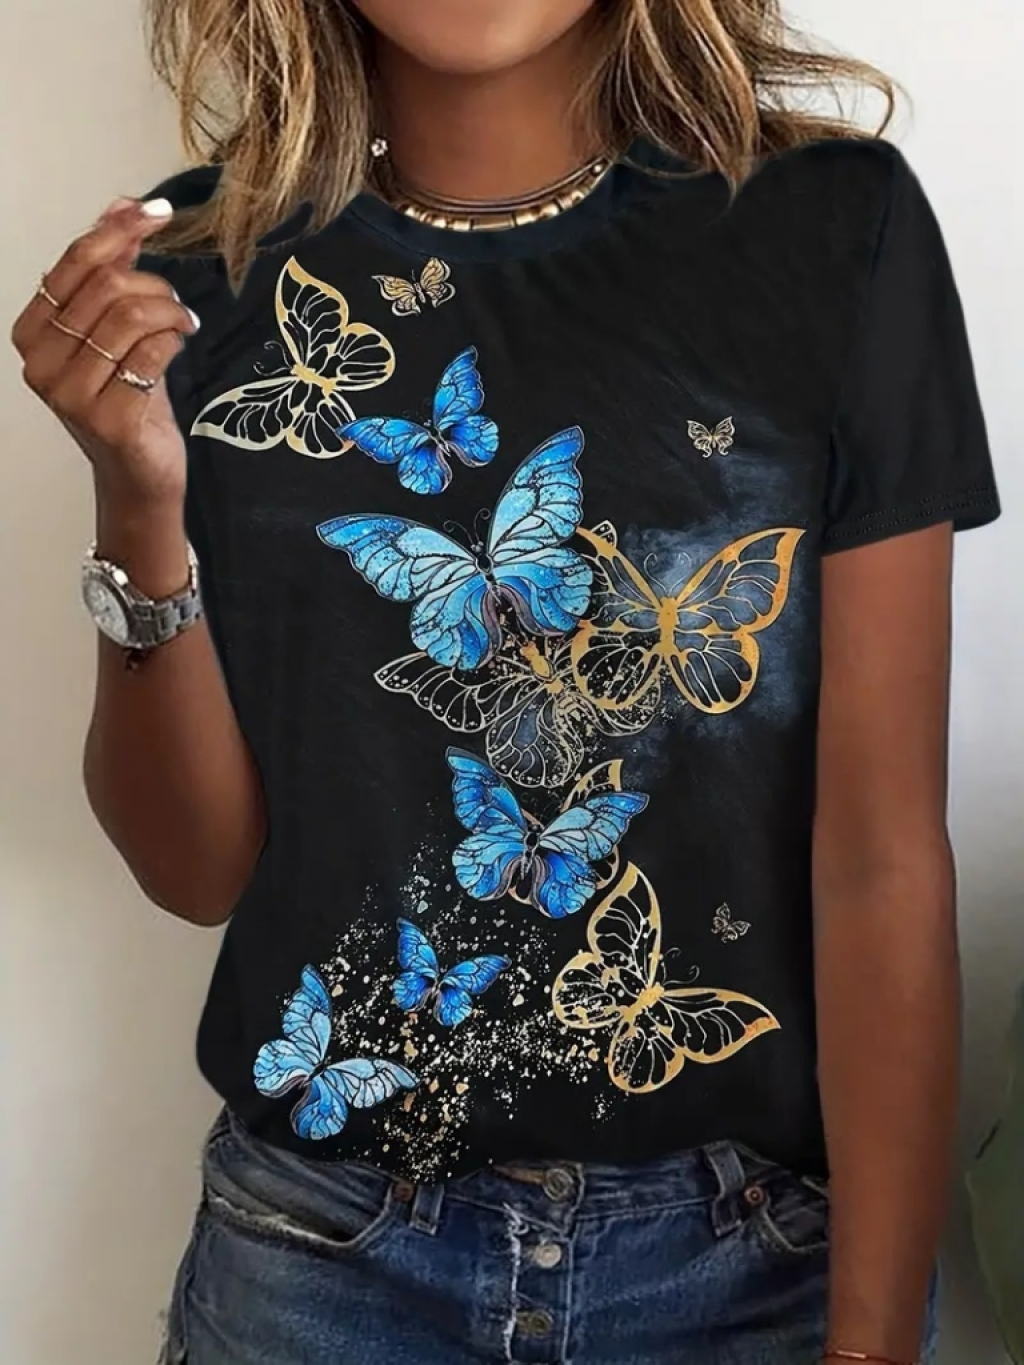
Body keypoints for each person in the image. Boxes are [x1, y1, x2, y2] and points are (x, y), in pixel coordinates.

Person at [10, 2, 1001, 1362]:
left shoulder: (830, 225)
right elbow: (197, 870)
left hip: (753, 1266)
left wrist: (875, 1343)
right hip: (322, 1263)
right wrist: (136, 496)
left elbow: (882, 859)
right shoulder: (206, 277)